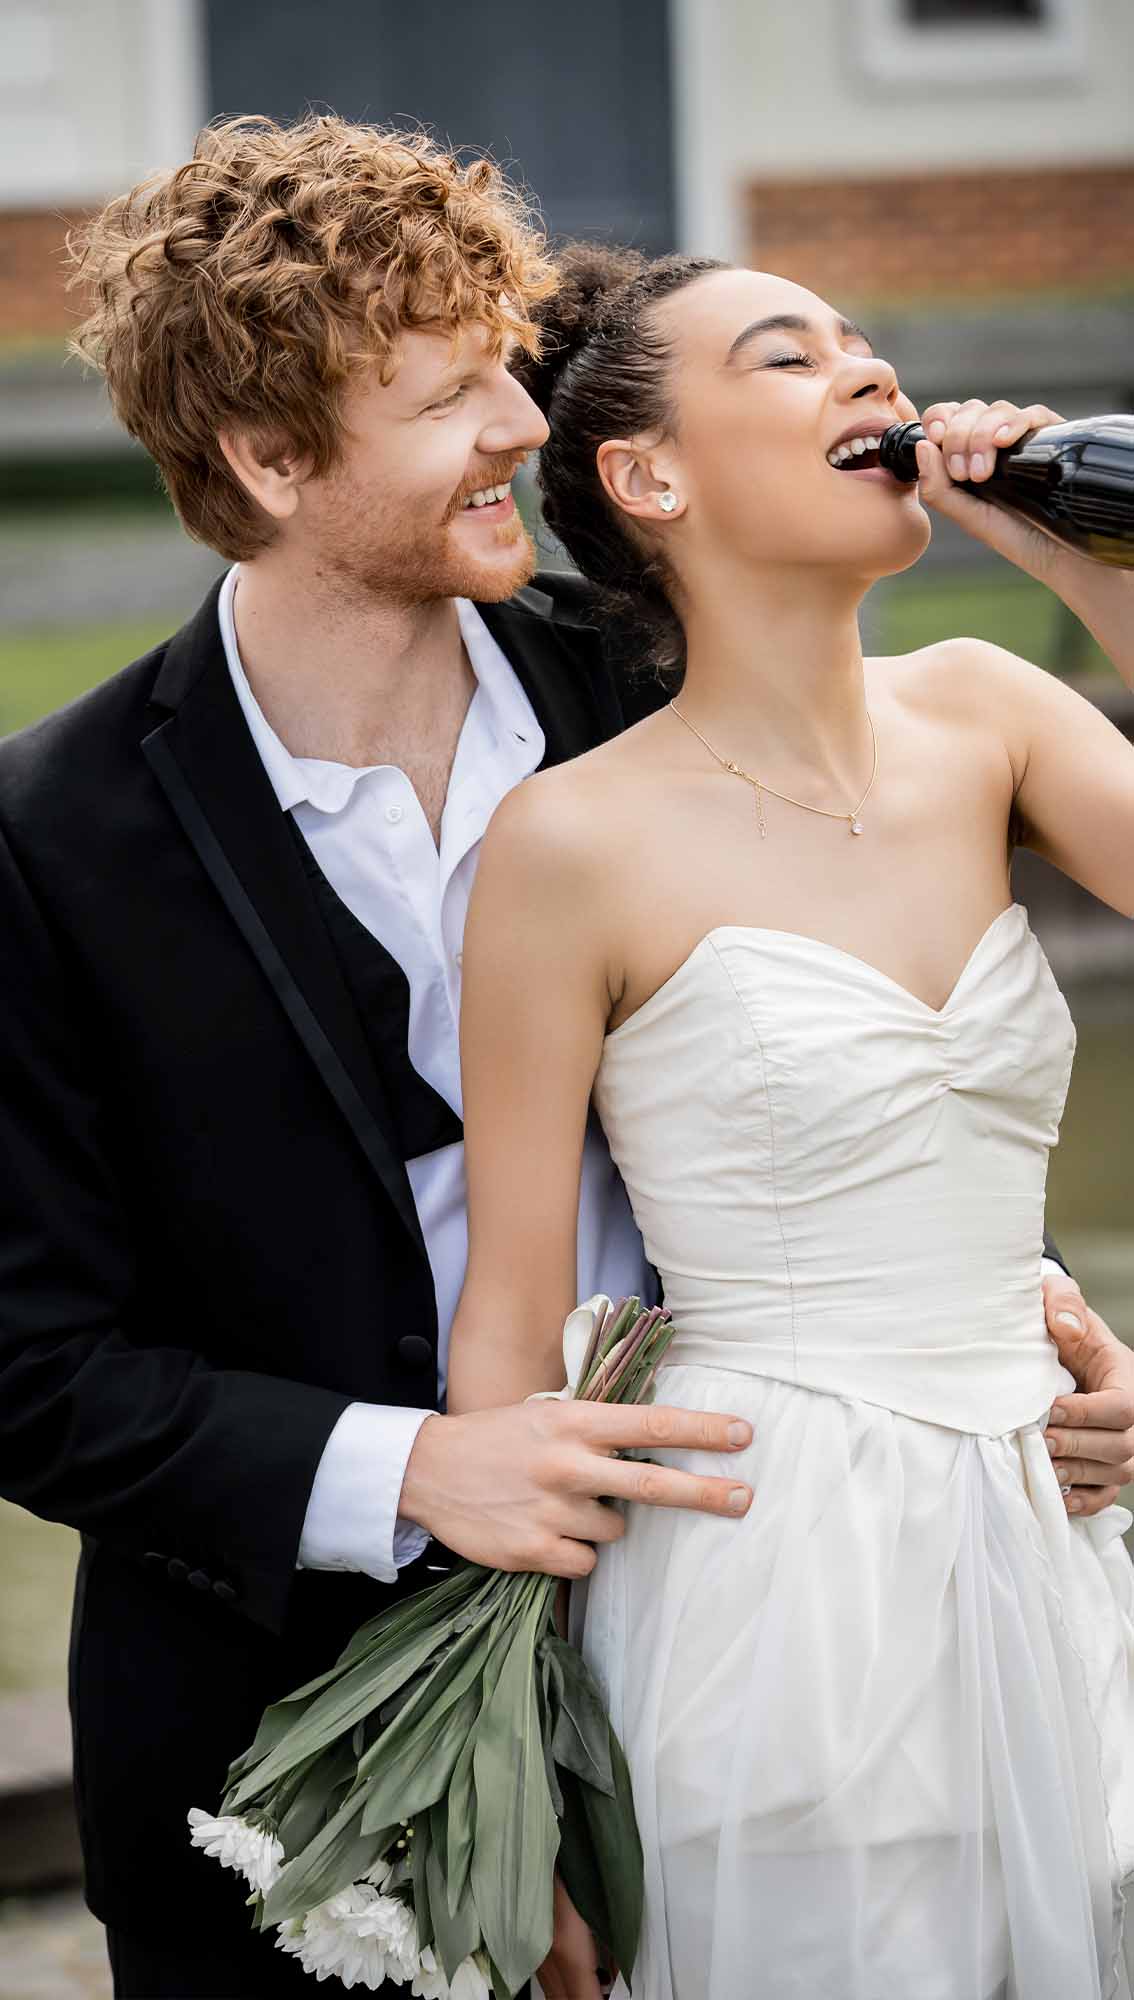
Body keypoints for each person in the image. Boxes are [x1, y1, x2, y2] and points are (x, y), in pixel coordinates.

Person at [0, 116, 1123, 1998]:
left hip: (790, 1611)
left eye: (511, 377)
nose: (519, 428)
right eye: (450, 399)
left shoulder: (650, 677)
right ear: (270, 461)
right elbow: (29, 1365)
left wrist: (1034, 1330)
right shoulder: (51, 837)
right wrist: (419, 1472)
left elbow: (858, 1067)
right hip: (291, 1738)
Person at [446, 244, 1134, 1999]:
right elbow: (514, 1324)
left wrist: (1065, 546)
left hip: (1053, 1539)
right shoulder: (569, 843)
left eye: (864, 348)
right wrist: (505, 1780)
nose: (865, 376)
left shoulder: (982, 711)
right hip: (776, 1573)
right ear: (648, 479)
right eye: (787, 356)